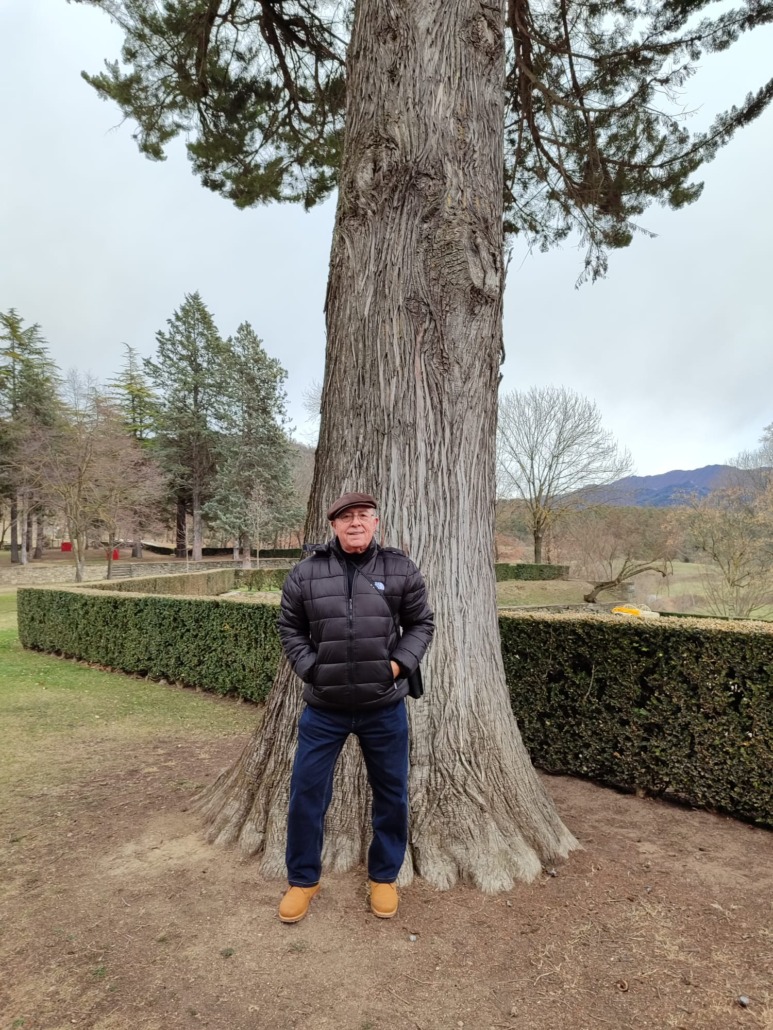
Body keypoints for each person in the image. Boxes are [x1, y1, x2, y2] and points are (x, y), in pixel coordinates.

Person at [277, 491, 434, 923]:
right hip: (323, 709)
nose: (355, 523)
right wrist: (312, 669)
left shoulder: (400, 569)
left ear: (376, 522)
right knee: (306, 794)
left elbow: (421, 623)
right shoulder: (306, 573)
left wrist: (397, 666)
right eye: (346, 517)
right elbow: (290, 627)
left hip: (384, 707)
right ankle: (302, 880)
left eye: (363, 515)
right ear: (334, 525)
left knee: (392, 794)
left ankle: (384, 876)